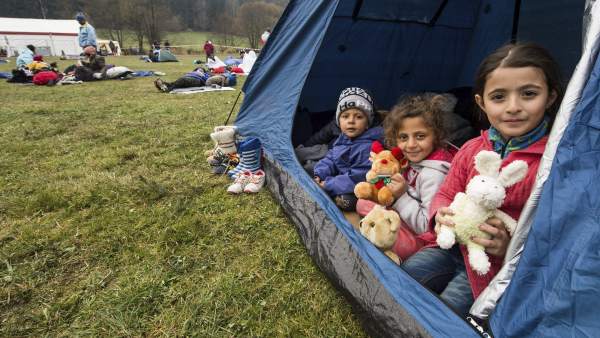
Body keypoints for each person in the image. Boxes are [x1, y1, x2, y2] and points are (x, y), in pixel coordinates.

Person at [401, 43, 564, 317]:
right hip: (453, 246)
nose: (513, 107)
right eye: (499, 97)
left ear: (549, 97)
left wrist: (508, 248)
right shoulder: (473, 148)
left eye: (528, 94)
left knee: (449, 310)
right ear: (481, 102)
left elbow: (552, 235)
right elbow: (445, 193)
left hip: (492, 265)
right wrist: (439, 215)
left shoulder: (551, 162)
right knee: (407, 273)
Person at [356, 94, 455, 261]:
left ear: (436, 136)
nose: (410, 145)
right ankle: (379, 233)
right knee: (362, 202)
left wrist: (400, 197)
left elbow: (426, 227)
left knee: (404, 245)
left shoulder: (434, 175)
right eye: (403, 137)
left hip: (423, 239)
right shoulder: (409, 160)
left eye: (420, 136)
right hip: (402, 216)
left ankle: (382, 240)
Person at [313, 87, 384, 211]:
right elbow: (331, 158)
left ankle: (334, 194)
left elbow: (357, 176)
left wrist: (328, 184)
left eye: (358, 117)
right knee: (311, 171)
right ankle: (326, 187)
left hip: (360, 185)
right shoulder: (342, 139)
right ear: (339, 122)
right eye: (345, 116)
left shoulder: (369, 145)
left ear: (368, 123)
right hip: (342, 178)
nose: (351, 121)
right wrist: (319, 173)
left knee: (348, 200)